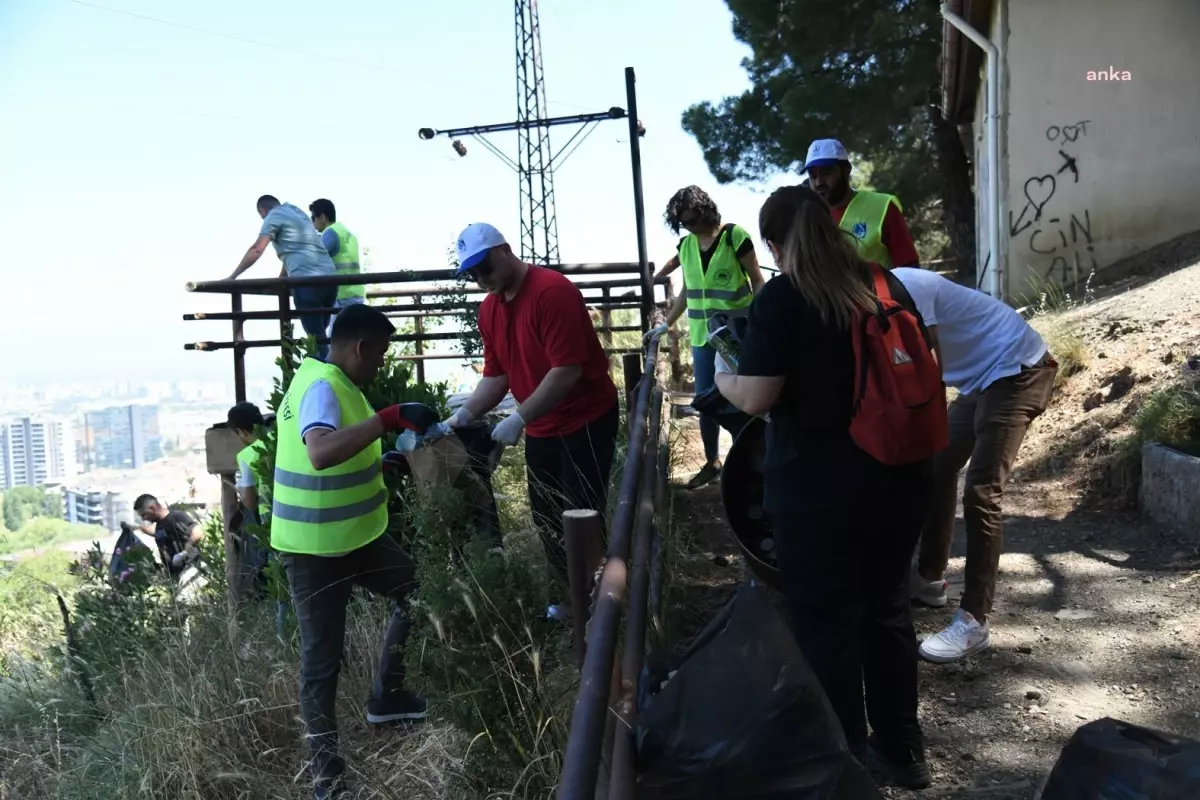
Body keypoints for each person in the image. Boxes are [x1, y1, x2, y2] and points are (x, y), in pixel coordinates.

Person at [713, 184, 932, 790]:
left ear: (774, 244)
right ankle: (904, 752)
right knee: (887, 613)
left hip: (817, 492)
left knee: (827, 623)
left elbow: (758, 397)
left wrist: (727, 377)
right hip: (899, 475)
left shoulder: (785, 297)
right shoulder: (883, 284)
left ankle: (845, 762)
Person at [271, 303, 427, 799]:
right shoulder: (321, 388)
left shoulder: (327, 380)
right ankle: (327, 778)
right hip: (315, 551)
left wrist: (388, 458)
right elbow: (320, 452)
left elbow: (345, 452)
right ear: (360, 348)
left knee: (419, 592)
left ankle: (388, 695)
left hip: (357, 537)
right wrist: (387, 419)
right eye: (379, 355)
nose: (380, 365)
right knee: (321, 663)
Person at [445, 223, 618, 615]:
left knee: (583, 510)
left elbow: (567, 370)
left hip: (585, 418)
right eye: (471, 274)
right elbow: (497, 375)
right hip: (543, 425)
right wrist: (466, 413)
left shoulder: (551, 292)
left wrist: (518, 417)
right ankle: (569, 598)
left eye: (484, 267)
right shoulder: (488, 309)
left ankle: (602, 604)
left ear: (505, 251)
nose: (480, 279)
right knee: (545, 515)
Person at [893, 267, 1057, 664]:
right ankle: (930, 579)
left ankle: (974, 621)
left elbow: (927, 373)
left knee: (981, 492)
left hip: (1018, 368)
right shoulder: (870, 303)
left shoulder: (911, 287)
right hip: (982, 380)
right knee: (936, 465)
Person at [645, 186, 765, 489]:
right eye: (684, 223)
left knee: (742, 400)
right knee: (706, 402)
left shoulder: (735, 236)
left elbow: (757, 280)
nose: (690, 227)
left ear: (706, 211)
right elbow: (688, 291)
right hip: (702, 338)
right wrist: (666, 324)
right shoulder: (685, 246)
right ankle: (712, 463)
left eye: (693, 220)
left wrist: (761, 321)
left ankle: (751, 461)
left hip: (737, 335)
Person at [229, 195, 337, 359]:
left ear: (263, 211)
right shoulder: (297, 213)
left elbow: (257, 249)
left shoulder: (272, 217)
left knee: (316, 341)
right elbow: (293, 251)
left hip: (306, 281)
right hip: (330, 280)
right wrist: (281, 279)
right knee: (322, 337)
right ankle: (331, 375)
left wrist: (233, 277)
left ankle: (327, 380)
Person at [804, 139, 920, 270]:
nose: (819, 182)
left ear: (846, 170)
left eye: (826, 173)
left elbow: (909, 269)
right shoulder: (809, 217)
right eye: (812, 176)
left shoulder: (881, 206)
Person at [309, 199, 366, 336]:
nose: (312, 223)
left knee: (335, 340)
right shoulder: (347, 233)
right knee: (350, 338)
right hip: (356, 293)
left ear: (322, 217)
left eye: (313, 218)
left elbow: (314, 258)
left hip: (342, 295)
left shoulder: (330, 233)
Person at [134, 494, 203, 579]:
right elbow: (162, 534)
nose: (143, 519)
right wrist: (137, 528)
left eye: (144, 514)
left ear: (152, 508)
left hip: (191, 570)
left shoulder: (176, 517)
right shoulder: (160, 524)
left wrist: (184, 553)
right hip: (176, 575)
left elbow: (198, 532)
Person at [228, 401, 271, 525]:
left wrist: (240, 489)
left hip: (270, 517)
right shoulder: (279, 438)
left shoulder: (246, 455)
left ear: (241, 431)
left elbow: (250, 503)